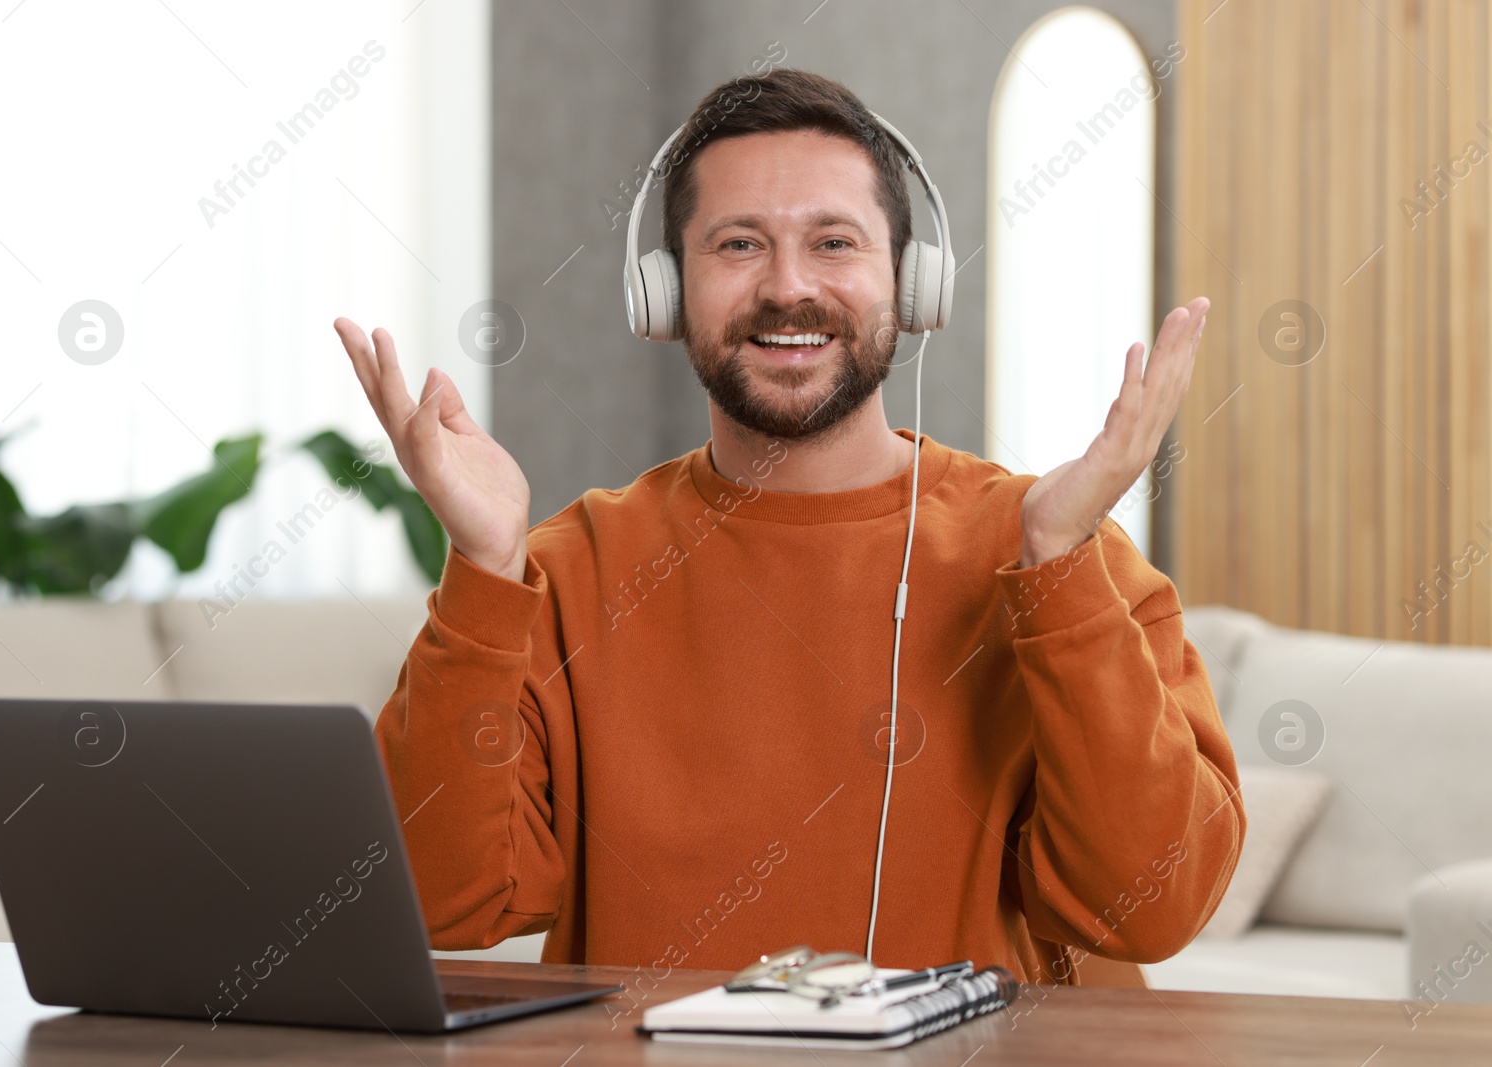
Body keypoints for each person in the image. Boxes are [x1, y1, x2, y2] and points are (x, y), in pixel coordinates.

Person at [332, 69, 1242, 985]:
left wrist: (1059, 572)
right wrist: (485, 569)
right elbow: (443, 899)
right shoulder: (567, 570)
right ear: (663, 291)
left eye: (834, 241)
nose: (788, 286)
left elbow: (1153, 909)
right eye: (737, 244)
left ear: (914, 283)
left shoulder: (1060, 550)